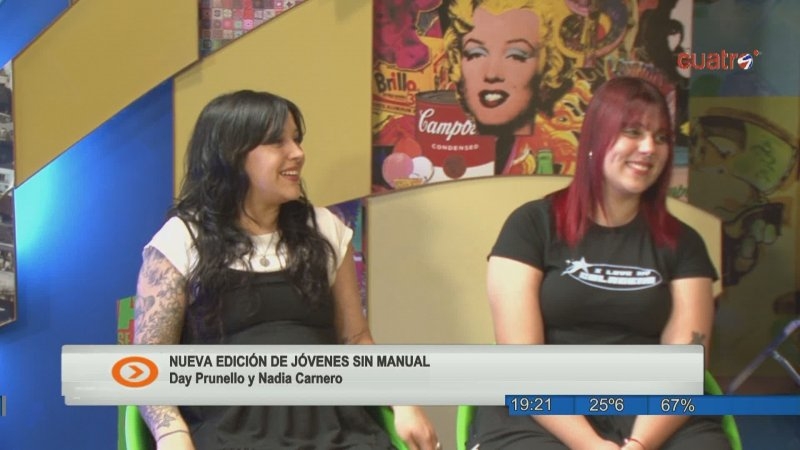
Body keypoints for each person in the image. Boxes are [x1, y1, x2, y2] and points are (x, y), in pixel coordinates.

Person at [134, 90, 440, 450]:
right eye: (277, 142)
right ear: (231, 155)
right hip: (229, 436)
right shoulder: (181, 240)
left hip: (339, 432)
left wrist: (403, 402)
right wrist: (172, 435)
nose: (297, 152)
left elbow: (356, 340)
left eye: (296, 138)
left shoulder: (324, 229)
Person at [469, 77, 730, 449]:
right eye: (633, 132)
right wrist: (590, 445)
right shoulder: (531, 225)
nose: (649, 148)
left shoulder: (684, 244)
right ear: (595, 139)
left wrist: (640, 444)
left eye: (660, 137)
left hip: (651, 411)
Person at [443, 0, 571, 174]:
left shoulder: (561, 155)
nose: (492, 74)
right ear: (458, 60)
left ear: (549, 65)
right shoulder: (444, 148)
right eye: (476, 54)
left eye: (516, 55)